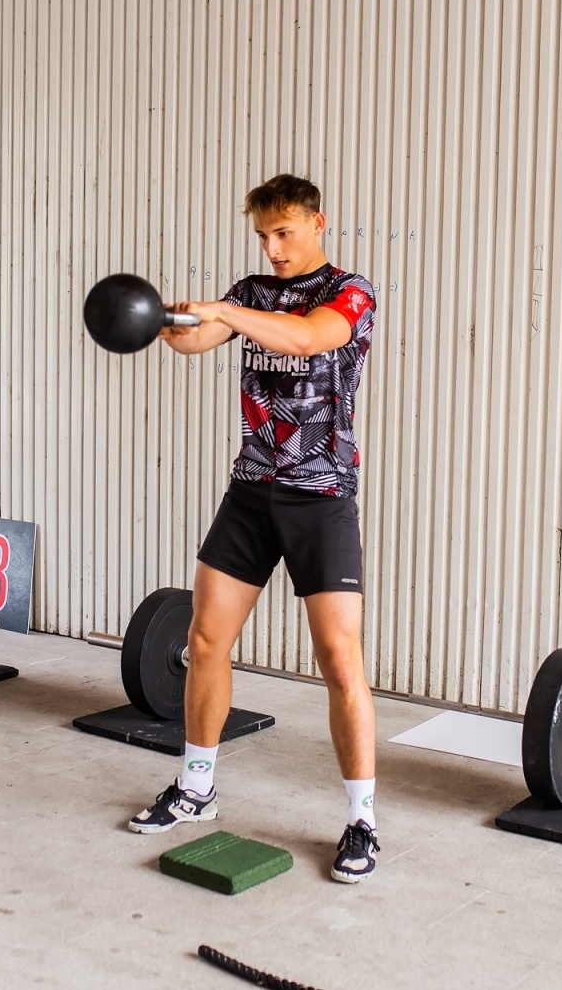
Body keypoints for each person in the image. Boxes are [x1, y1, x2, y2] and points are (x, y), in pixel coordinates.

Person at [126, 174, 382, 883]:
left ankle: (361, 820)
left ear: (317, 222)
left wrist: (229, 313)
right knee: (206, 638)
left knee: (338, 657)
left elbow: (307, 340)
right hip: (252, 491)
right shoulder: (247, 292)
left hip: (320, 495)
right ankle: (197, 787)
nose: (272, 249)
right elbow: (198, 340)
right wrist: (162, 320)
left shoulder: (350, 293)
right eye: (263, 236)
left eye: (284, 234)